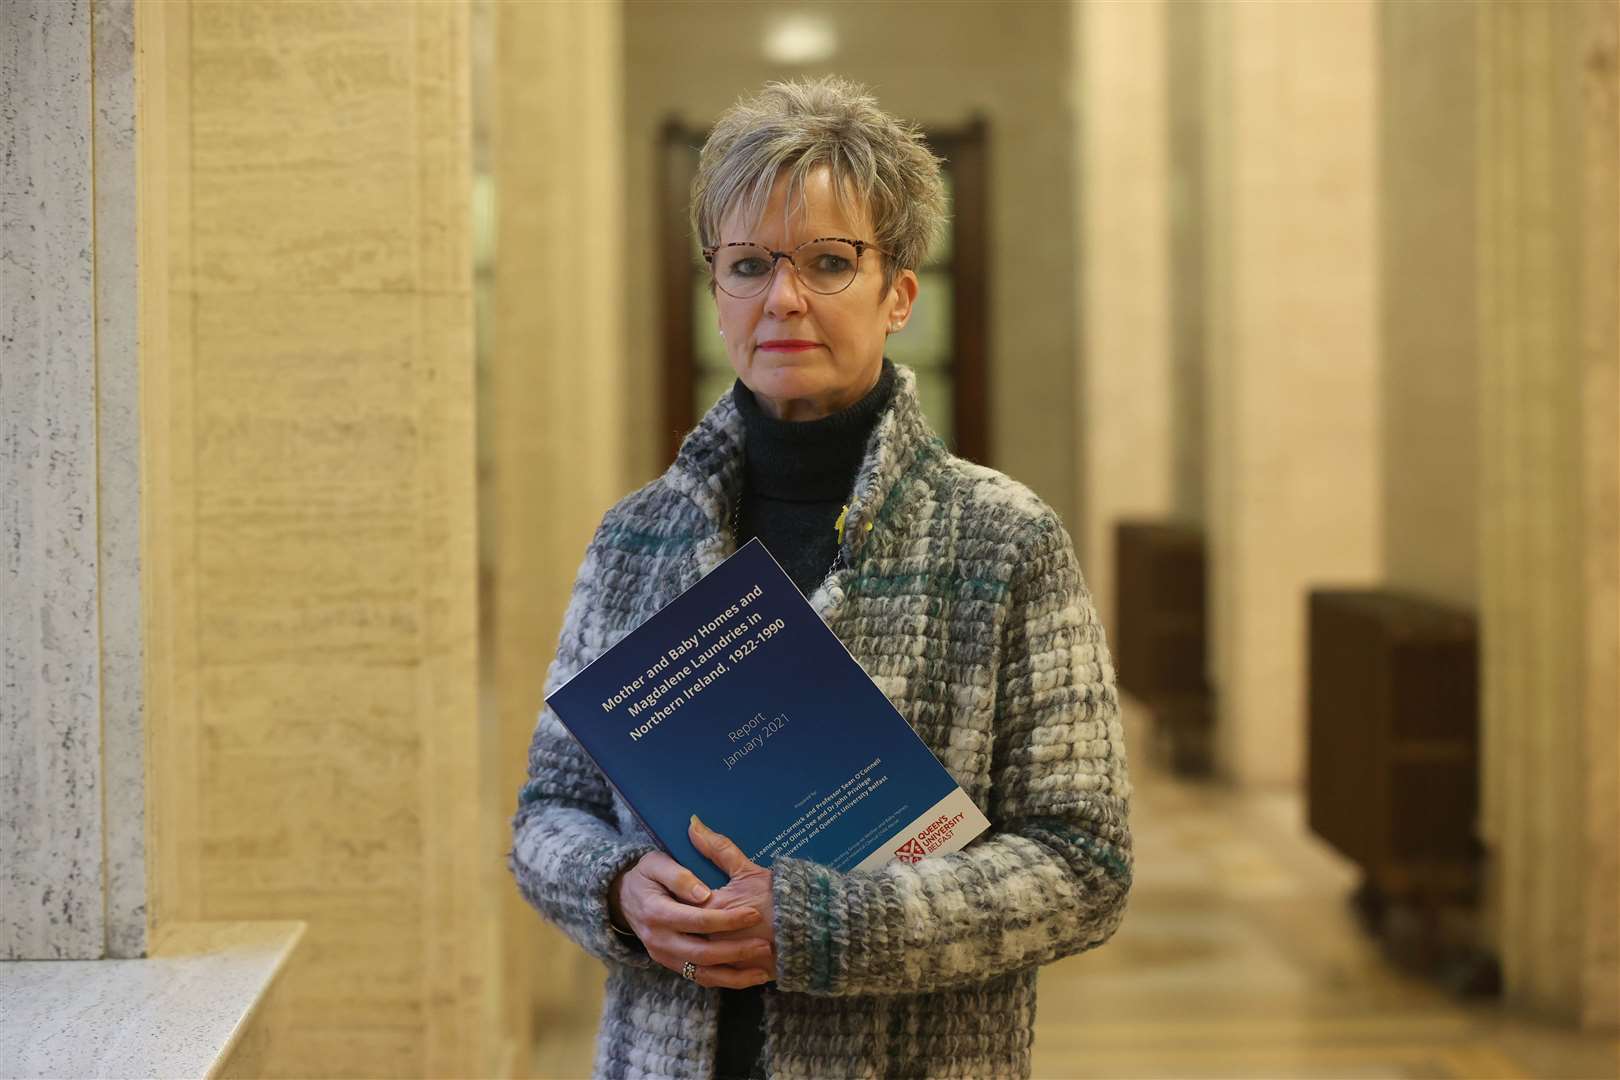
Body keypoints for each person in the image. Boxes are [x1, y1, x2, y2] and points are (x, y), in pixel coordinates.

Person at [508, 75, 1132, 1080]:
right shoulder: (640, 537)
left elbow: (1085, 864)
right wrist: (620, 889)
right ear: (717, 292)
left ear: (899, 293)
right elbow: (549, 810)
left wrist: (827, 923)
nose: (783, 299)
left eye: (829, 263)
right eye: (749, 264)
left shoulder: (1002, 538)